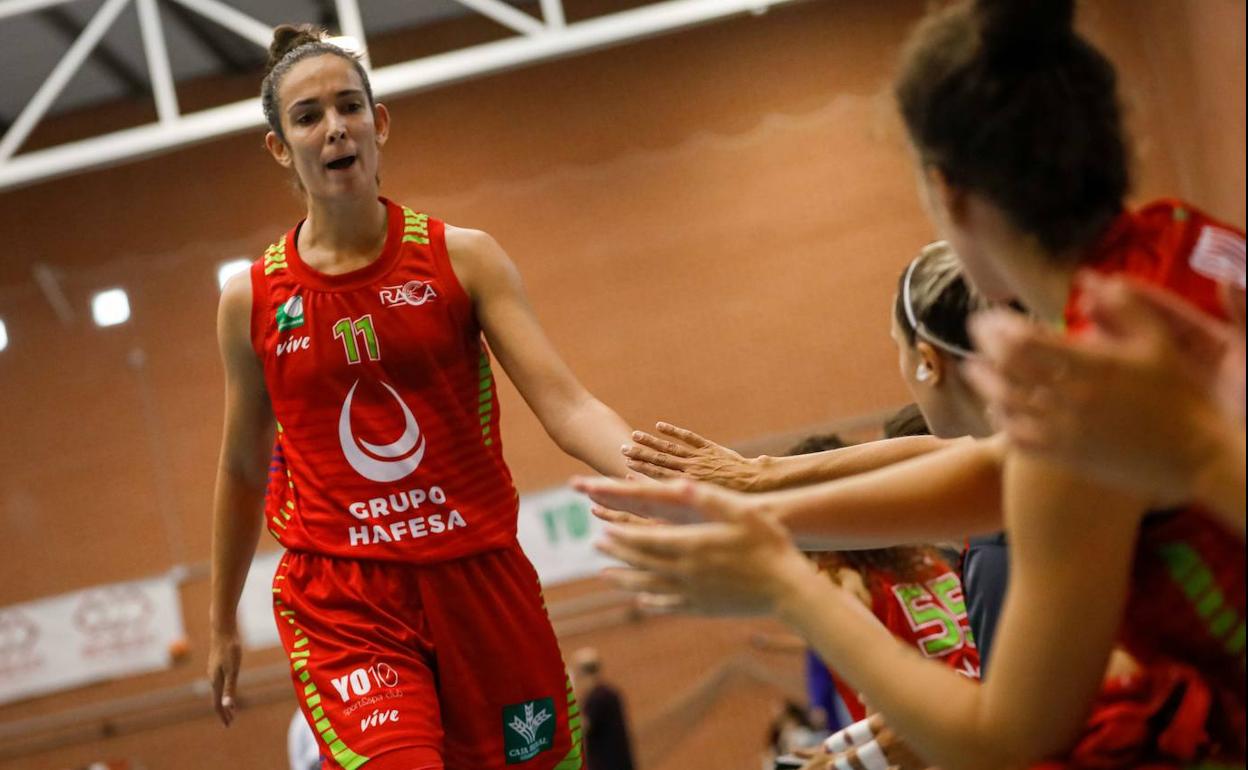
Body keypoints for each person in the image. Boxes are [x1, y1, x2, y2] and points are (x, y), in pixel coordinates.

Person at [575, 1, 1245, 768]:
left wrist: (787, 587)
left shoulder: (1091, 384)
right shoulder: (1185, 240)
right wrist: (760, 497)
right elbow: (1002, 468)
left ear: (947, 192)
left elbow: (1000, 743)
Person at [208, 24, 634, 770]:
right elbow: (243, 469)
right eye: (308, 116)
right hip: (346, 601)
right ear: (279, 146)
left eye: (349, 106)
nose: (334, 127)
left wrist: (676, 479)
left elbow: (569, 407)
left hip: (480, 579)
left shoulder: (462, 258)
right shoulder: (252, 299)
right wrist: (221, 623)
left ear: (379, 122)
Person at [569, 649, 636, 770]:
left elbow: (581, 726)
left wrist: (569, 696)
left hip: (606, 764)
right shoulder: (610, 693)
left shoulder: (597, 697)